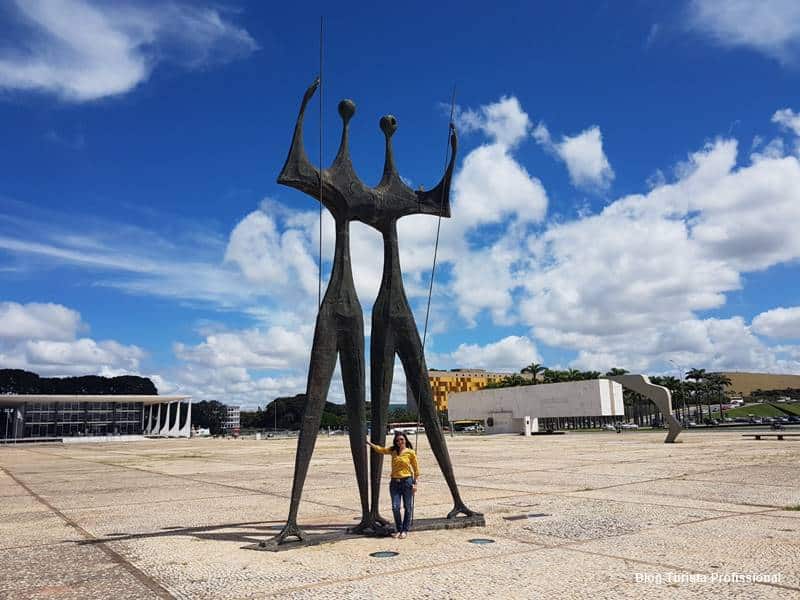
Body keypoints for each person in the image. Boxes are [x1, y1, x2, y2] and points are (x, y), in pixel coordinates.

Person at [366, 432, 419, 538]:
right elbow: (381, 450)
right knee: (395, 507)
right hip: (395, 482)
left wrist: (415, 484)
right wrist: (368, 443)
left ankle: (405, 530)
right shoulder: (393, 451)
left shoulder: (411, 453)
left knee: (408, 507)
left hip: (407, 482)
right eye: (398, 440)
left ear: (405, 440)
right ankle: (399, 529)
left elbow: (416, 470)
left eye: (402, 440)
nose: (400, 442)